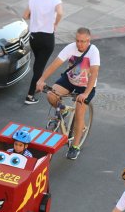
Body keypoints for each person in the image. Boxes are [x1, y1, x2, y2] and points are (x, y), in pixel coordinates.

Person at [36, 27, 100, 160]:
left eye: (83, 41)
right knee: (51, 95)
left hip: (85, 86)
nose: (79, 44)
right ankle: (63, 110)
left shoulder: (93, 51)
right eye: (77, 40)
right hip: (70, 80)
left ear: (89, 41)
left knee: (79, 113)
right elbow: (55, 64)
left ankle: (75, 146)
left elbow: (94, 73)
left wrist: (86, 94)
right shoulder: (70, 48)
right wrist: (41, 80)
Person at [23, 0, 63, 105]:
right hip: (47, 38)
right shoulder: (56, 0)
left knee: (38, 63)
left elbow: (25, 15)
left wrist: (33, 17)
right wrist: (55, 24)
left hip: (34, 37)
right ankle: (30, 95)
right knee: (40, 66)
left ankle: (38, 82)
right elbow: (60, 13)